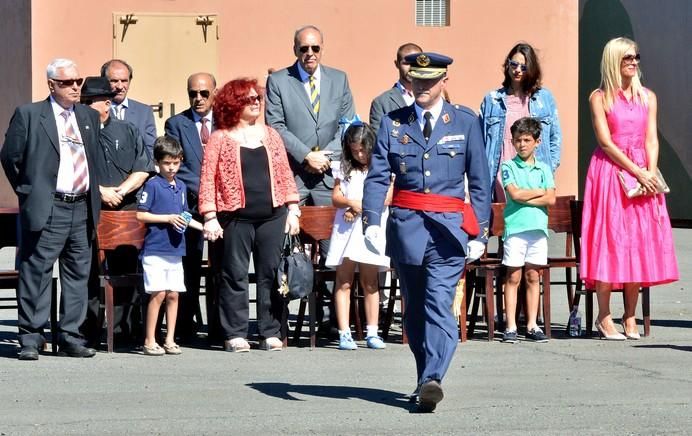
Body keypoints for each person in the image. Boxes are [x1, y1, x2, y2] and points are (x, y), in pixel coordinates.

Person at [362, 52, 491, 412]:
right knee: (415, 312)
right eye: (416, 79)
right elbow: (377, 177)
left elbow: (479, 182)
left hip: (449, 231)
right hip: (407, 228)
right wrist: (372, 220)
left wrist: (480, 232)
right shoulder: (393, 123)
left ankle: (434, 376)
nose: (421, 86)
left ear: (443, 82)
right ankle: (425, 380)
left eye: (429, 80)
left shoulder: (464, 122)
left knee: (438, 303)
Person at [1, 58, 102, 360]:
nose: (75, 87)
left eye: (78, 81)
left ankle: (70, 336)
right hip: (49, 205)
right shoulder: (31, 114)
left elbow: (92, 159)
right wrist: (29, 190)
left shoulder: (88, 116)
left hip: (81, 206)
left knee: (77, 273)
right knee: (37, 271)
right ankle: (31, 338)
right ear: (51, 85)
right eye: (67, 82)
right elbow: (10, 157)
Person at [582, 37, 679, 340]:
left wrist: (650, 172)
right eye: (627, 58)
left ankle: (630, 316)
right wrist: (635, 170)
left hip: (642, 173)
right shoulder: (599, 97)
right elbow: (605, 141)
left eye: (636, 56)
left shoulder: (647, 97)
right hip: (611, 171)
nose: (634, 62)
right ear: (614, 61)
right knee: (609, 239)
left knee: (637, 240)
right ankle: (604, 315)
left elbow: (651, 137)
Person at [265, 24, 355, 335]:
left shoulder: (339, 79)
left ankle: (332, 317)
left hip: (328, 178)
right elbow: (275, 125)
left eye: (315, 48)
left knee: (335, 247)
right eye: (304, 49)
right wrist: (306, 155)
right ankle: (277, 320)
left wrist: (325, 157)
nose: (310, 54)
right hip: (294, 176)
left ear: (322, 48)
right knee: (284, 248)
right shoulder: (278, 81)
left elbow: (347, 124)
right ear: (295, 50)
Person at [199, 78, 301, 352]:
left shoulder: (271, 135)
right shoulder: (220, 138)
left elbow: (284, 174)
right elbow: (208, 179)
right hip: (235, 218)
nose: (256, 102)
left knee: (270, 274)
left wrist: (293, 209)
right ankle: (235, 333)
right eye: (249, 98)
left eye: (258, 98)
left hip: (273, 216)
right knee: (234, 275)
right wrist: (209, 215)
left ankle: (269, 331)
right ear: (234, 104)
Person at [78, 76, 153, 347]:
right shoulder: (77, 131)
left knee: (124, 268)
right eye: (82, 101)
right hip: (90, 208)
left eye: (89, 101)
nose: (84, 105)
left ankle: (123, 329)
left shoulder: (128, 130)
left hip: (125, 211)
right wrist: (100, 191)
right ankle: (88, 329)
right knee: (87, 272)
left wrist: (120, 191)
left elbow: (143, 167)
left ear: (106, 103)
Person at [325, 122, 393, 350]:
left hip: (371, 229)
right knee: (344, 281)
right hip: (346, 230)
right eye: (354, 151)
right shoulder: (345, 169)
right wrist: (350, 203)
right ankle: (345, 332)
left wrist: (358, 208)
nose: (360, 155)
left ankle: (372, 331)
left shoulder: (383, 168)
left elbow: (386, 198)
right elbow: (336, 198)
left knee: (370, 281)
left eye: (363, 150)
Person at [136, 136, 203, 355]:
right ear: (157, 162)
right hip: (155, 249)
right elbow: (141, 214)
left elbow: (184, 215)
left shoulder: (182, 186)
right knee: (158, 294)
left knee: (174, 294)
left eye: (175, 163)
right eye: (167, 163)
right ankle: (149, 339)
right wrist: (167, 218)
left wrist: (204, 228)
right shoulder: (153, 185)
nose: (171, 167)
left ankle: (170, 338)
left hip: (176, 249)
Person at [164, 72, 217, 341]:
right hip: (191, 205)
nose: (198, 99)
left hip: (224, 208)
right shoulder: (176, 124)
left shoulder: (227, 123)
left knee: (223, 266)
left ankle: (220, 327)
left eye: (204, 93)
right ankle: (185, 326)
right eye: (192, 93)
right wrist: (207, 189)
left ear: (214, 93)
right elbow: (178, 167)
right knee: (189, 265)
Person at [480, 43, 562, 202]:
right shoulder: (492, 100)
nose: (517, 70)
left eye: (524, 67)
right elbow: (481, 141)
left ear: (531, 69)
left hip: (533, 172)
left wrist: (547, 170)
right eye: (514, 64)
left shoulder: (544, 98)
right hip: (500, 170)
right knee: (502, 221)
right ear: (508, 64)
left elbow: (555, 139)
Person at [499, 117, 556, 344]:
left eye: (526, 140)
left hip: (537, 229)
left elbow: (551, 198)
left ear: (537, 142)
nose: (522, 144)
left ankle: (532, 324)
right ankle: (511, 325)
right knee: (513, 276)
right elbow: (514, 194)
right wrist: (537, 194)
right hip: (516, 229)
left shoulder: (544, 168)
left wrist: (528, 194)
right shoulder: (508, 166)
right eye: (517, 140)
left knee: (533, 276)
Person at [101, 59, 157, 155]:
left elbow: (150, 148)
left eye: (124, 81)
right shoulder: (95, 111)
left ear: (130, 81)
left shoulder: (144, 112)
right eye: (114, 81)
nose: (120, 86)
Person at [369, 43, 422, 132]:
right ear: (397, 64)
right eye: (406, 63)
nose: (411, 68)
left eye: (416, 63)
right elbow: (378, 141)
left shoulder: (433, 97)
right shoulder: (381, 103)